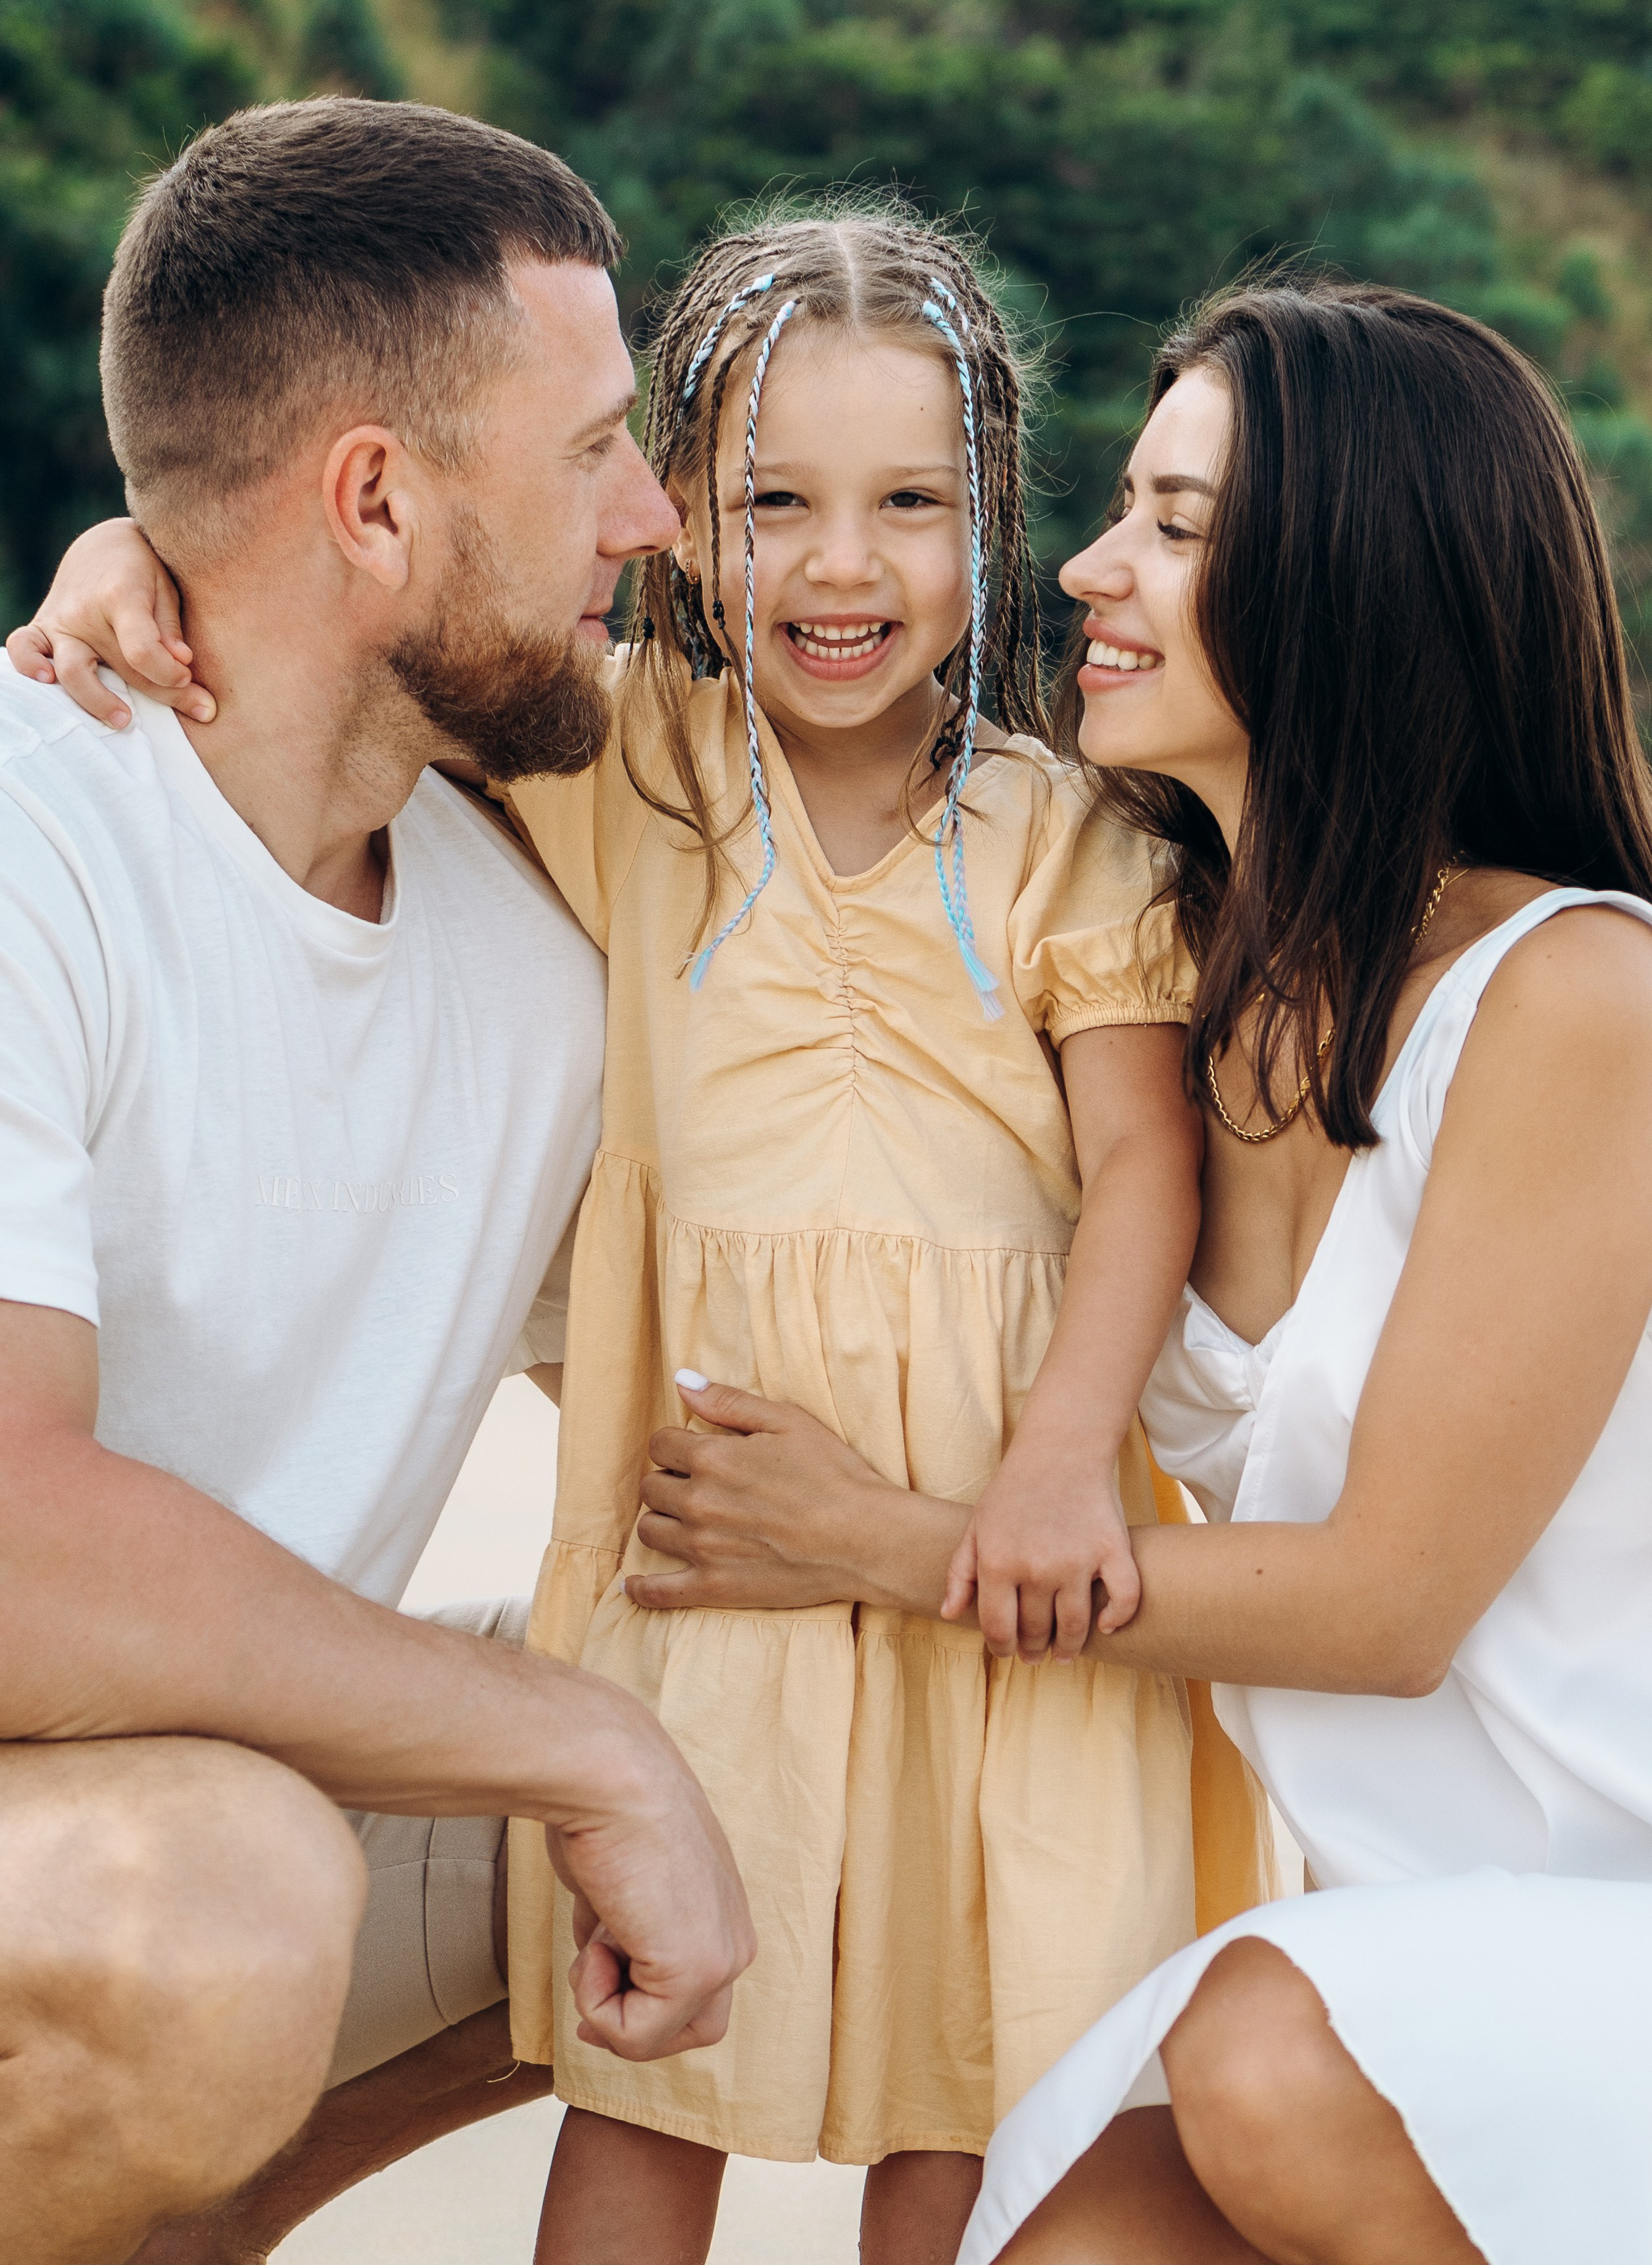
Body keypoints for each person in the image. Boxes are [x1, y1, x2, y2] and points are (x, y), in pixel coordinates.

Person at [26, 202, 1275, 2265]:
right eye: (769, 501)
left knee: (971, 2099)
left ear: (993, 518)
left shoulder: (1070, 841)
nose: (842, 564)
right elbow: (334, 645)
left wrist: (1058, 1466)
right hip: (701, 1578)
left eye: (909, 503)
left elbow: (1144, 1164)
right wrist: (128, 561)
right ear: (684, 516)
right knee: (643, 2056)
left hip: (998, 1581)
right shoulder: (627, 777)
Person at [495, 277, 1652, 2265]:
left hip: (1578, 1930)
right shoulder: (1225, 980)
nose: (1095, 567)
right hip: (1387, 1937)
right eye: (1123, 504)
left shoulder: (1585, 994)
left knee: (1251, 2055)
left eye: (1182, 526)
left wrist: (876, 1536)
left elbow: (1386, 1605)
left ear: (1356, 584)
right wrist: (118, 562)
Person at [0, 95, 753, 2265]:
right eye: (599, 444)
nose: (657, 516)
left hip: (173, 1799)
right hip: (138, 1855)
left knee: (764, 1723)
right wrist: (583, 1751)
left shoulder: (521, 947)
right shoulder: (40, 852)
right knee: (235, 1902)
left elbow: (710, 1403)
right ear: (374, 499)